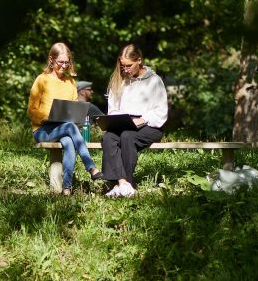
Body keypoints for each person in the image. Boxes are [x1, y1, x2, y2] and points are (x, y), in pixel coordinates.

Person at [28, 42, 103, 195]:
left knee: (69, 142)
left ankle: (66, 188)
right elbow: (31, 110)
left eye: (66, 62)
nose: (63, 65)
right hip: (43, 129)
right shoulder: (42, 80)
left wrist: (76, 115)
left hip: (65, 128)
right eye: (60, 62)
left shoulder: (71, 82)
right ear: (51, 60)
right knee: (69, 127)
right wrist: (46, 118)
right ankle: (91, 167)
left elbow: (74, 109)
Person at [100, 44, 168, 198]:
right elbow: (113, 109)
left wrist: (141, 120)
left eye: (129, 66)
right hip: (124, 123)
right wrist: (119, 120)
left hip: (150, 125)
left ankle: (127, 183)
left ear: (139, 60)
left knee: (128, 136)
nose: (125, 70)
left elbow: (161, 113)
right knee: (108, 137)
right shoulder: (119, 80)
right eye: (122, 66)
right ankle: (122, 183)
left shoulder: (154, 81)